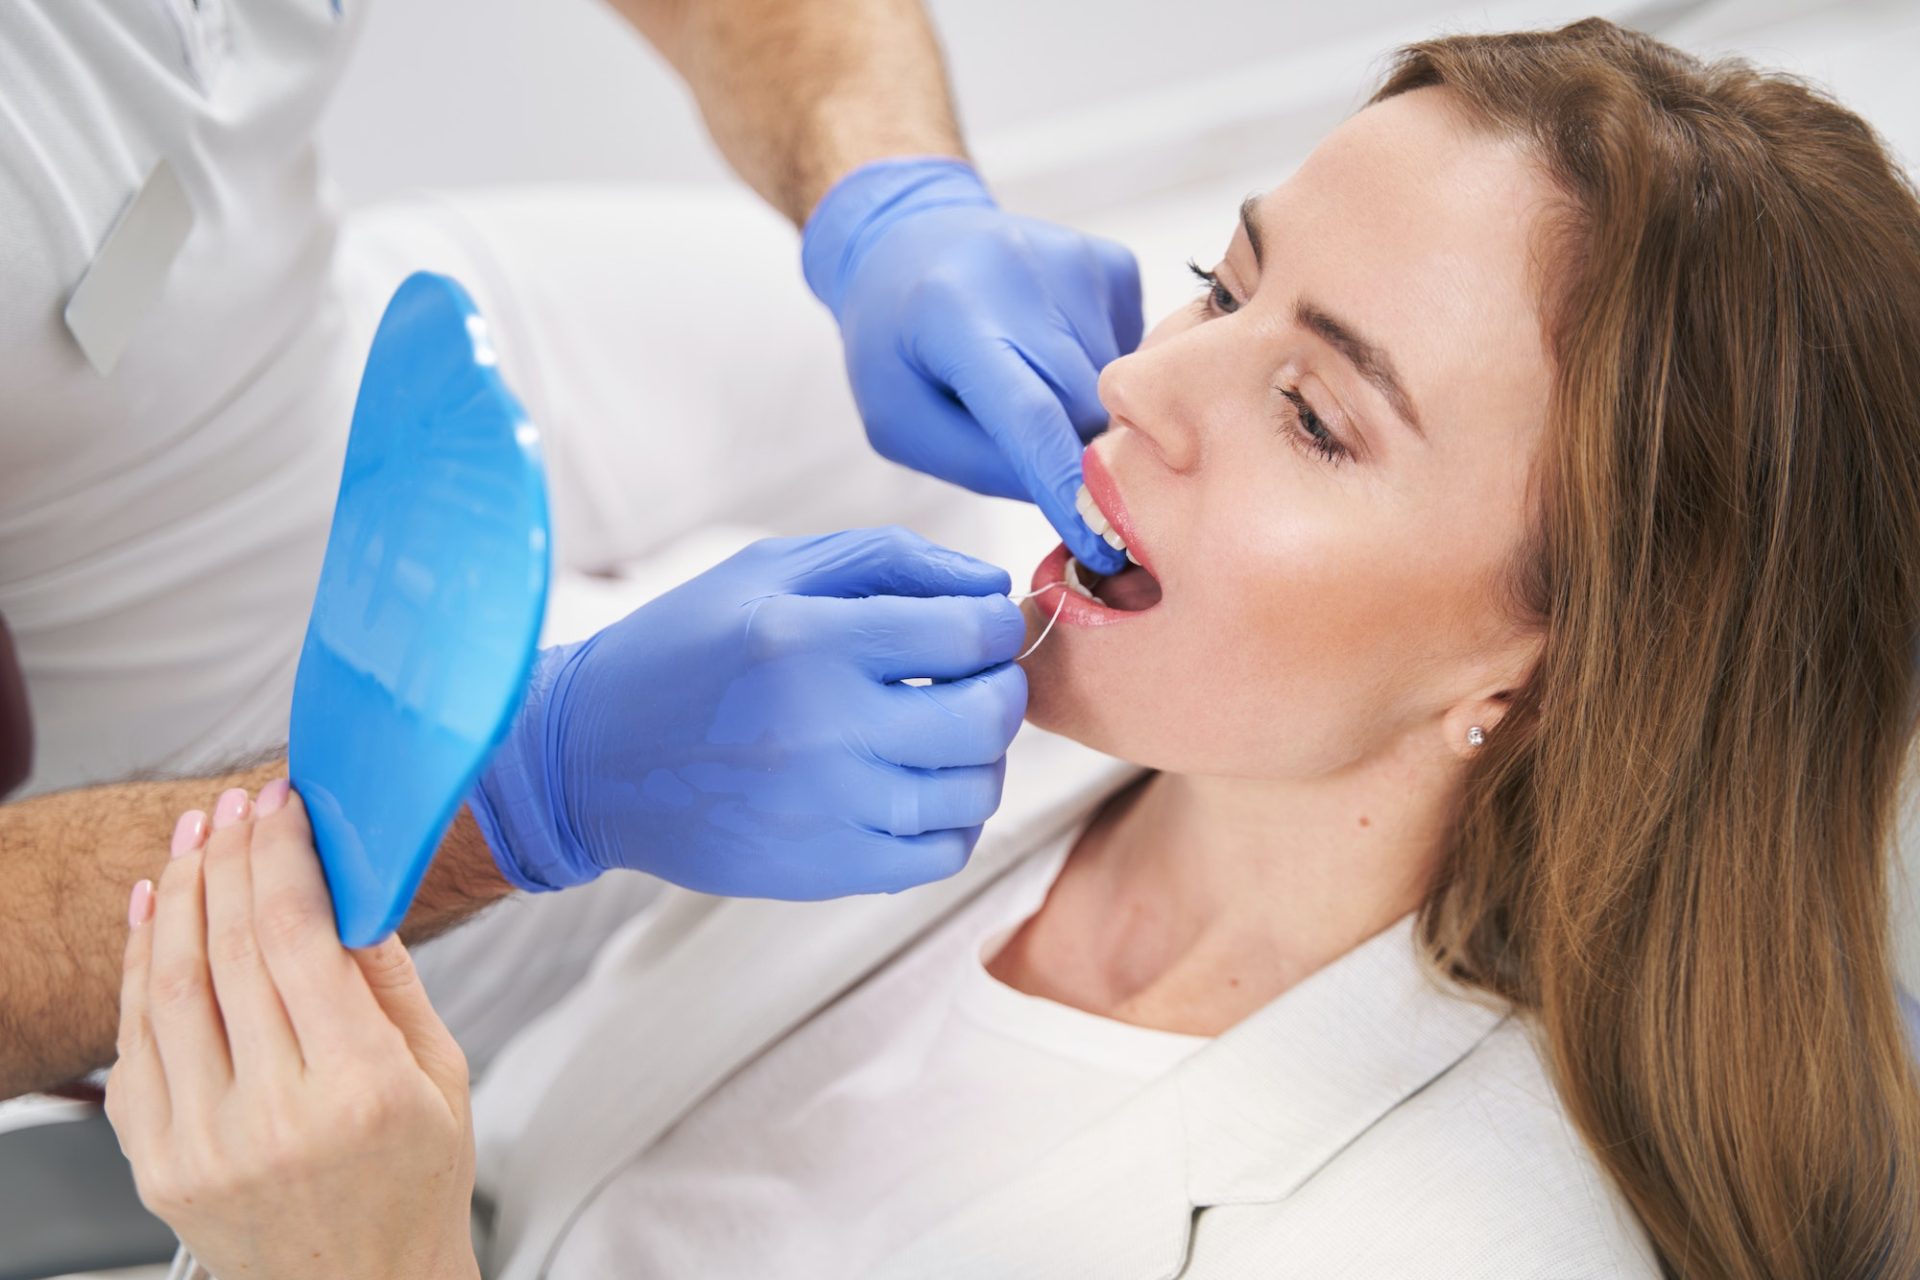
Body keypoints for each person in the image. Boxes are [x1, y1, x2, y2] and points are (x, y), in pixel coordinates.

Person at [101, 18, 1920, 1280]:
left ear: (1533, 675)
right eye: (1223, 279)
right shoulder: (977, 694)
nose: (1137, 381)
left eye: (1311, 411)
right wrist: (531, 775)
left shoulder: (1441, 1245)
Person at [0, 0, 1140, 1100]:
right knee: (828, 896)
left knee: (930, 466)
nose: (1151, 393)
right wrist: (529, 790)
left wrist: (895, 198)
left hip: (352, 341)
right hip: (173, 717)